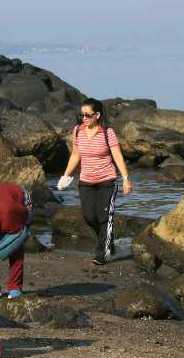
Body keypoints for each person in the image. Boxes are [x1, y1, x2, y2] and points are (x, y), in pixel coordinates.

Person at [58, 98, 132, 265]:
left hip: (107, 181)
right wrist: (66, 175)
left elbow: (117, 156)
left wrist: (126, 178)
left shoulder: (107, 132)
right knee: (89, 217)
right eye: (81, 115)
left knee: (104, 217)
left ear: (97, 115)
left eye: (87, 115)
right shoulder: (78, 131)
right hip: (86, 181)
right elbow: (76, 155)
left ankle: (102, 253)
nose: (84, 118)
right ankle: (108, 238)